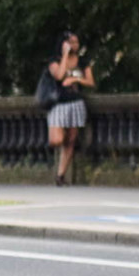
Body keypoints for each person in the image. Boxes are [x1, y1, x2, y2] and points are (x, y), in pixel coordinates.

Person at [47, 30, 95, 186]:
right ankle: (50, 156)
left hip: (76, 103)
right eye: (72, 42)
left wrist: (76, 78)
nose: (75, 45)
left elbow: (91, 82)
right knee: (56, 140)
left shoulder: (82, 61)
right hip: (59, 103)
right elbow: (59, 76)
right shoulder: (55, 60)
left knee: (71, 140)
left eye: (77, 42)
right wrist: (65, 55)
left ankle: (60, 175)